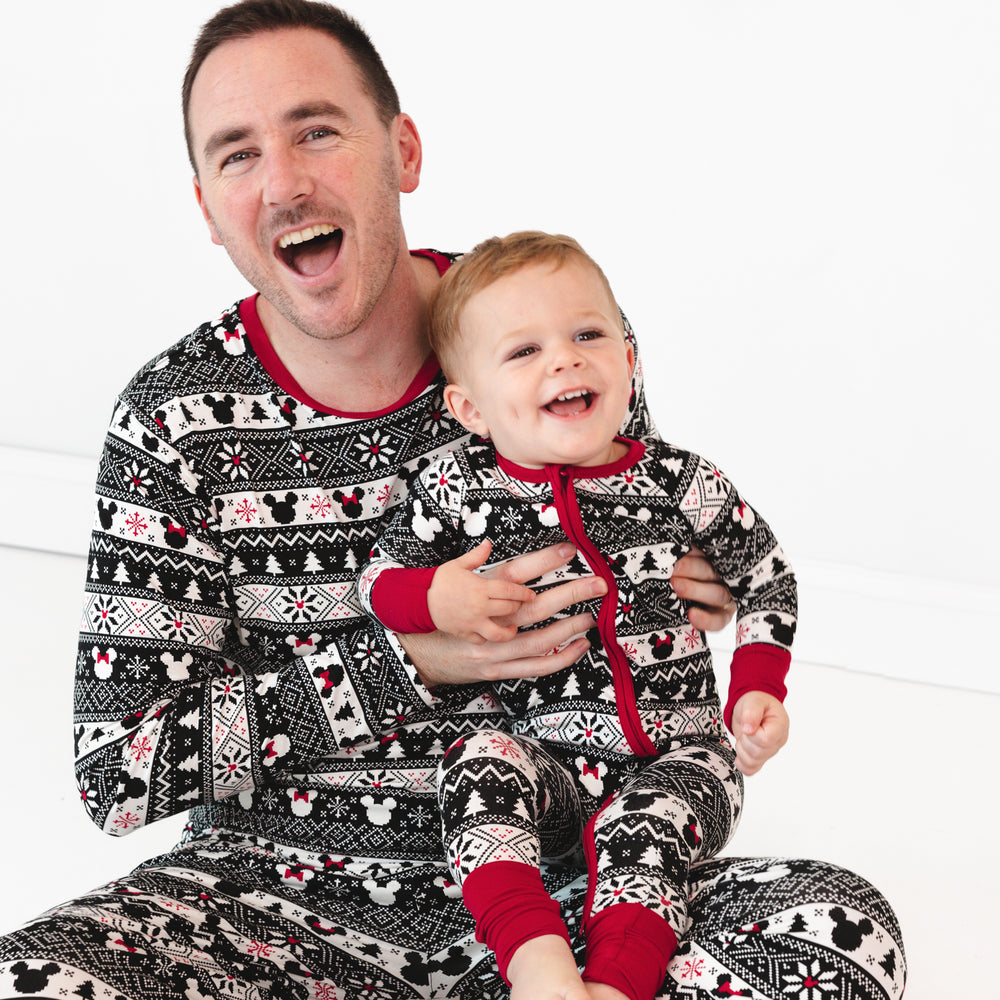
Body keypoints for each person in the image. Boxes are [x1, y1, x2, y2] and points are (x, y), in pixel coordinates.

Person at [0, 2, 905, 999]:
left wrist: (693, 594)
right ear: (210, 207)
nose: (284, 181)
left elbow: (656, 558)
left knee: (834, 935)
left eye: (316, 130)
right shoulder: (172, 422)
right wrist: (404, 661)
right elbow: (119, 772)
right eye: (237, 154)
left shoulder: (546, 335)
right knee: (34, 980)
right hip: (261, 909)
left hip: (557, 898)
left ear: (402, 150)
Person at [358, 231, 796, 1000]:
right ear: (470, 408)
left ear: (628, 359)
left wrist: (757, 687)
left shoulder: (680, 481)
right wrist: (435, 599)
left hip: (683, 762)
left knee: (646, 827)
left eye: (587, 335)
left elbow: (767, 578)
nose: (564, 358)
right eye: (523, 352)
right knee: (478, 764)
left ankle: (615, 987)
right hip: (553, 766)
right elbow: (378, 582)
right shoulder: (458, 490)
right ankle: (537, 966)